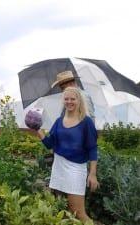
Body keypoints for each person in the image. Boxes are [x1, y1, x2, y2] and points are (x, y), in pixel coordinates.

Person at [35, 86, 99, 223]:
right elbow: (49, 144)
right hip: (58, 167)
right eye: (66, 99)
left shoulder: (86, 122)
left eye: (73, 99)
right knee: (67, 212)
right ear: (63, 101)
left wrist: (92, 174)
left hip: (75, 169)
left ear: (79, 101)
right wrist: (37, 129)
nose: (69, 102)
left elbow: (93, 148)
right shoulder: (59, 121)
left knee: (79, 214)